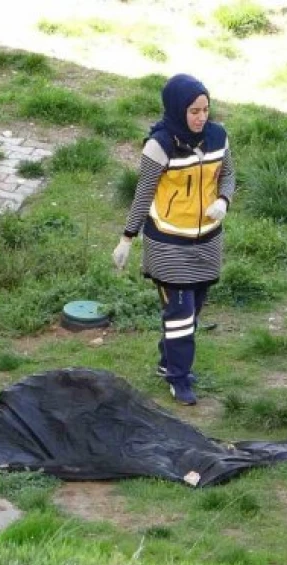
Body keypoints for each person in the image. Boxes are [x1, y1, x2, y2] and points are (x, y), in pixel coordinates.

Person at [112, 74, 236, 406]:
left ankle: (168, 360)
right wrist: (127, 238)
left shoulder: (218, 137)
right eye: (194, 111)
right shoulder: (159, 145)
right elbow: (143, 194)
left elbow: (228, 173)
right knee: (179, 312)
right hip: (168, 243)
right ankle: (178, 379)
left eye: (205, 109)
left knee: (192, 310)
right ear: (177, 109)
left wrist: (223, 201)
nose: (201, 117)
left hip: (208, 242)